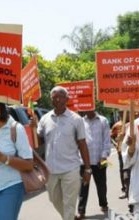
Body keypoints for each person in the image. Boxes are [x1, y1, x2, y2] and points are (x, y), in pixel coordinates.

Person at [34, 86, 91, 220]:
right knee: (54, 200)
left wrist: (87, 169)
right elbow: (39, 141)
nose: (57, 100)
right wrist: (32, 128)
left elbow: (82, 144)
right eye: (54, 97)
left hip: (71, 168)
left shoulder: (76, 119)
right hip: (51, 170)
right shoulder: (44, 119)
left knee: (69, 204)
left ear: (67, 99)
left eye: (60, 97)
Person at [75, 110, 111, 219]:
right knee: (83, 187)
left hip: (101, 159)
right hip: (83, 161)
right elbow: (77, 140)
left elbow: (106, 140)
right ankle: (81, 211)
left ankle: (104, 204)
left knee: (101, 185)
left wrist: (104, 155)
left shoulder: (103, 121)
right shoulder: (80, 121)